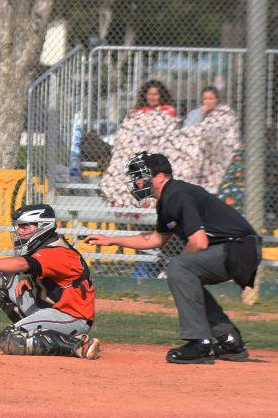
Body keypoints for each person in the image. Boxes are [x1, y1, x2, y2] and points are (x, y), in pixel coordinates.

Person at [86, 152, 261, 364]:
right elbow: (155, 239)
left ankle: (200, 344)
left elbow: (199, 242)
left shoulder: (177, 195)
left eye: (141, 175)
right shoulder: (169, 198)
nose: (137, 181)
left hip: (238, 248)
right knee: (185, 277)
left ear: (159, 177)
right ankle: (229, 340)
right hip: (238, 248)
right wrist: (112, 240)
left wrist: (180, 269)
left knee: (180, 269)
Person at [0, 204, 100, 360]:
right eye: (19, 226)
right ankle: (34, 333)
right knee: (4, 282)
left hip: (73, 316)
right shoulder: (46, 245)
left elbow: (23, 263)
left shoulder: (58, 251)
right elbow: (32, 267)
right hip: (57, 309)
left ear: (42, 226)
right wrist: (27, 279)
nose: (19, 230)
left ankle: (78, 345)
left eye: (25, 226)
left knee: (9, 338)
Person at [100, 79, 199, 208]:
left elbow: (168, 133)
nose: (152, 97)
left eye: (156, 94)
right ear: (145, 95)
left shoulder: (168, 112)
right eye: (150, 94)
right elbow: (126, 132)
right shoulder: (135, 113)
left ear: (161, 95)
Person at [182, 87, 240, 192]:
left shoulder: (225, 113)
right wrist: (201, 114)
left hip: (219, 154)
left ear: (217, 99)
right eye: (205, 99)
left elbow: (226, 131)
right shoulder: (196, 113)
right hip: (201, 155)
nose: (208, 101)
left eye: (211, 98)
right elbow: (187, 131)